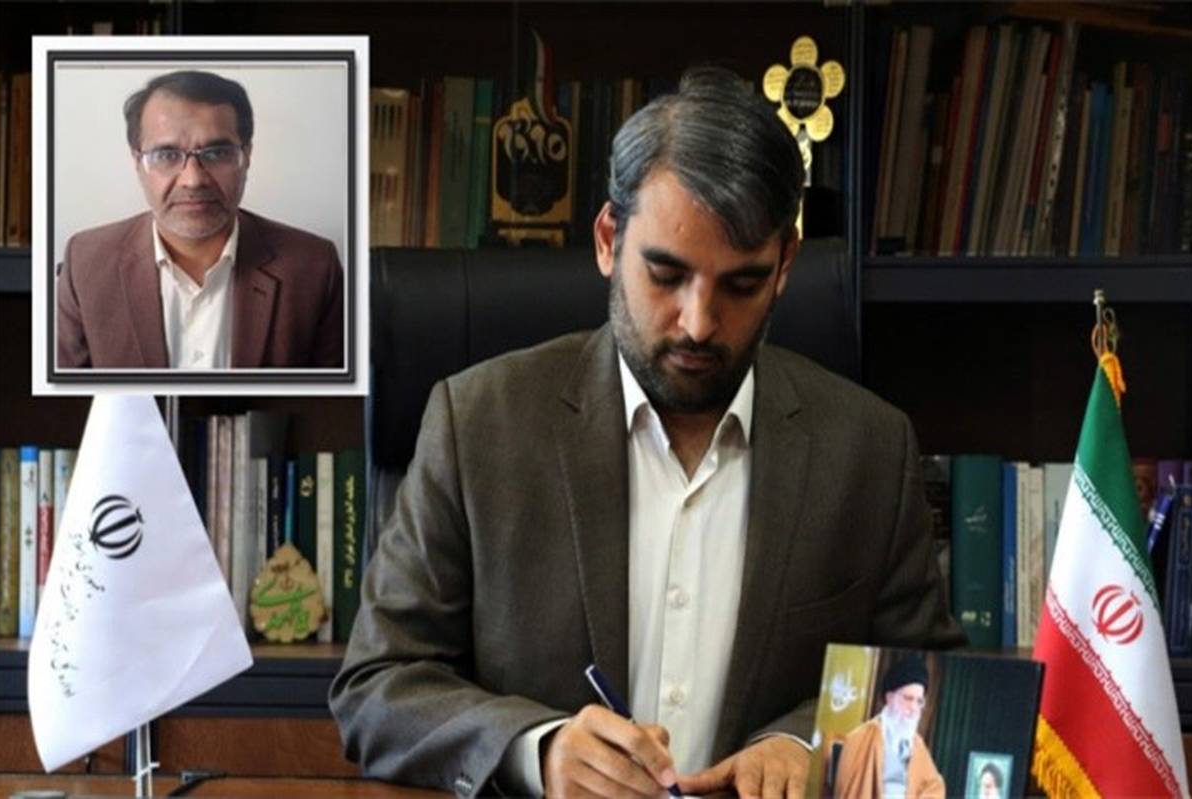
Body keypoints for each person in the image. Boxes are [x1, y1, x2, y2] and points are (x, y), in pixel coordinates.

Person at [330, 67, 961, 799]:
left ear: (785, 265)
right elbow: (377, 687)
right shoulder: (476, 424)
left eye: (742, 284)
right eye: (666, 274)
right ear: (608, 240)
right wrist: (538, 750)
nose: (699, 322)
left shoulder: (869, 449)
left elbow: (930, 678)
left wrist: (808, 742)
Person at [55, 70, 344, 370]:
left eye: (217, 153)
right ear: (137, 163)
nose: (193, 180)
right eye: (166, 155)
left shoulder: (314, 268)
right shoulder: (85, 265)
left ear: (247, 157)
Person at [833, 656, 945, 799]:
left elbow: (934, 786)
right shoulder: (861, 738)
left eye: (919, 701)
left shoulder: (917, 744)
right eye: (908, 698)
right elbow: (850, 791)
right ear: (890, 698)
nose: (914, 708)